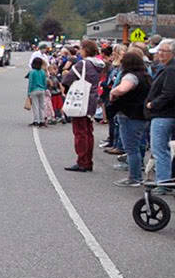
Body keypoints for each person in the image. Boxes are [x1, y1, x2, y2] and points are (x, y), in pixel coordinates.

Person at [109, 49, 151, 188]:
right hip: (141, 114)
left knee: (131, 148)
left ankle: (134, 177)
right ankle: (137, 175)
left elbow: (122, 89)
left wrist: (113, 91)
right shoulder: (145, 75)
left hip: (129, 115)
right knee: (138, 146)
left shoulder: (131, 76)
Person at [61, 39, 104, 173]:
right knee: (88, 131)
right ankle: (88, 161)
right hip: (92, 98)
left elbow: (68, 79)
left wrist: (66, 76)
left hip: (81, 98)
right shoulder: (100, 64)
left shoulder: (83, 64)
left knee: (79, 132)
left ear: (85, 50)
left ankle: (82, 161)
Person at [146, 39, 175, 192]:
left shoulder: (171, 69)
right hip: (166, 114)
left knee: (159, 149)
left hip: (164, 114)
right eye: (159, 51)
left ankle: (163, 183)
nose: (159, 53)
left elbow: (169, 93)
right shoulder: (166, 68)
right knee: (163, 149)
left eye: (163, 51)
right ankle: (166, 180)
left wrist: (153, 104)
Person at [28, 56, 49, 127]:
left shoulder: (32, 72)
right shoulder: (42, 72)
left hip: (34, 90)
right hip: (42, 90)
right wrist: (45, 89)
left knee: (35, 106)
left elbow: (30, 83)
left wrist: (28, 93)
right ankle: (42, 120)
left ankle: (36, 120)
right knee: (41, 106)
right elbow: (45, 82)